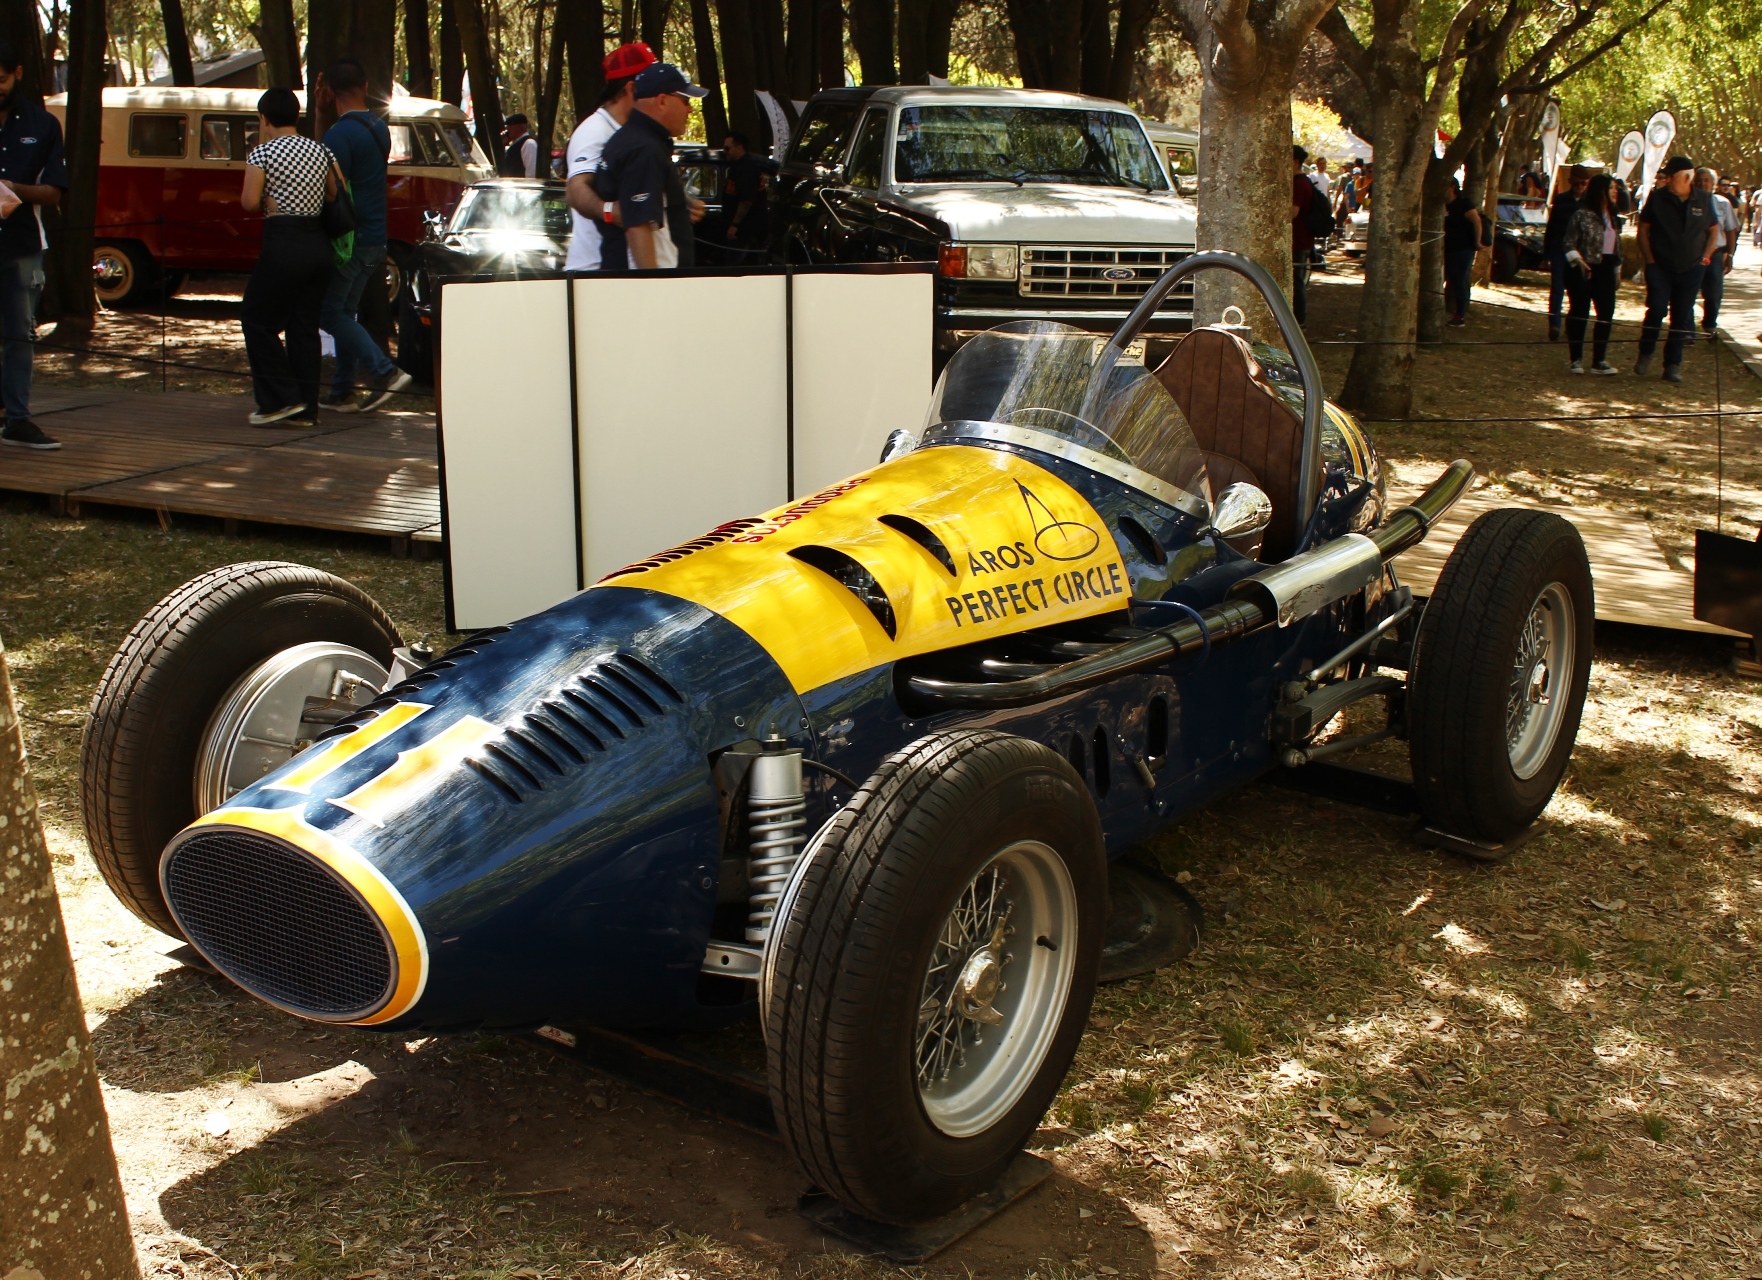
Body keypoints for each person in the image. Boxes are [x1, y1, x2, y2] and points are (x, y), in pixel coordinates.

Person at [316, 59, 413, 413]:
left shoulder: (339, 135)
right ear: (366, 83)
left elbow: (327, 179)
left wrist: (319, 115)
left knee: (329, 314)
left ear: (329, 92)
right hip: (376, 234)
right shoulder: (378, 126)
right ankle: (342, 390)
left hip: (351, 239)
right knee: (346, 311)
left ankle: (384, 371)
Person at [238, 87, 338, 425]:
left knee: (256, 319)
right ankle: (306, 408)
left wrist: (270, 200)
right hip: (317, 244)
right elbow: (333, 192)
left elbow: (249, 201)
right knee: (303, 327)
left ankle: (279, 399)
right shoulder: (321, 150)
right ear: (296, 115)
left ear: (264, 118)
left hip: (283, 243)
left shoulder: (262, 153)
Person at [0, 39, 66, 451]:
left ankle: (18, 419)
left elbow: (54, 192)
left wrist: (14, 190)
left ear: (18, 74)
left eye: (1, 79)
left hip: (21, 247)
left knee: (19, 335)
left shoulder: (42, 125)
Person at [596, 63, 707, 271]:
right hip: (649, 287)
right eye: (685, 100)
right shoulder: (644, 149)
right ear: (662, 101)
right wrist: (652, 288)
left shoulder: (633, 140)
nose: (690, 108)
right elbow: (638, 226)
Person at [564, 41, 656, 273]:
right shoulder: (595, 132)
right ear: (632, 88)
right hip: (600, 272)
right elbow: (575, 190)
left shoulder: (630, 132)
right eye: (652, 87)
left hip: (619, 272)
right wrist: (609, 211)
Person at [1635, 156, 1718, 382]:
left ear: (1686, 177)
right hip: (1660, 267)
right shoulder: (1658, 197)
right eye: (1667, 176)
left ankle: (1672, 364)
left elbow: (1714, 230)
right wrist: (1649, 260)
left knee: (1681, 316)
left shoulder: (1704, 199)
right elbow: (1643, 229)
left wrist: (1706, 258)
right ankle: (1646, 352)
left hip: (1692, 269)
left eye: (1672, 176)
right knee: (1657, 309)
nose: (1668, 180)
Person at [1562, 172, 1622, 375]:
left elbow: (1617, 246)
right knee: (1579, 312)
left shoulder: (1613, 216)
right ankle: (1576, 358)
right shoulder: (1582, 214)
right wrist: (1578, 261)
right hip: (1584, 268)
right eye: (1612, 188)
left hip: (1606, 268)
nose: (1616, 191)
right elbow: (1569, 242)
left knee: (1606, 313)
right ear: (1601, 191)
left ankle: (1599, 360)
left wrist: (1617, 270)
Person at [1543, 163, 1589, 341]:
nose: (1579, 188)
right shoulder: (1561, 200)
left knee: (1576, 291)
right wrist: (1546, 254)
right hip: (1559, 250)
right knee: (1557, 289)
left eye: (1583, 184)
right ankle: (1554, 324)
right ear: (1570, 182)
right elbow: (1551, 227)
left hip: (1580, 253)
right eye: (1577, 183)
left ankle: (1571, 324)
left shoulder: (1589, 203)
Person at [1696, 167, 1737, 335]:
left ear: (1713, 184)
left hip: (1716, 253)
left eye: (1706, 180)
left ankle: (1710, 324)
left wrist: (1731, 254)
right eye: (1699, 180)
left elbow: (1730, 230)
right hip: (1692, 253)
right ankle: (1686, 330)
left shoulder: (1723, 203)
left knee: (1713, 293)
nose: (1702, 184)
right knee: (1687, 292)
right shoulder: (1688, 203)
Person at [1442, 177, 1482, 328]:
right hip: (1446, 249)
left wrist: (1477, 242)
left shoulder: (1464, 204)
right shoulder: (1443, 205)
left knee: (1458, 280)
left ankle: (1460, 315)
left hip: (1462, 249)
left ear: (1452, 187)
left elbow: (1477, 221)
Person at [721, 131, 769, 256]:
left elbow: (746, 201)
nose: (725, 152)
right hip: (743, 228)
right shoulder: (737, 167)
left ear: (739, 148)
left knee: (737, 264)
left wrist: (734, 225)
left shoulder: (746, 169)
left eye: (727, 148)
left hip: (746, 229)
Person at [1289, 145, 1315, 325]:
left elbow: (1293, 212)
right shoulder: (1300, 182)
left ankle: (1299, 320)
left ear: (1296, 161)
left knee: (1297, 282)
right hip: (1300, 240)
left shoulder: (1300, 184)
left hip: (1299, 240)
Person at [498, 113, 539, 178]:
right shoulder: (514, 145)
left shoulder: (529, 144)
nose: (508, 129)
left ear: (521, 126)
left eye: (510, 126)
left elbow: (531, 173)